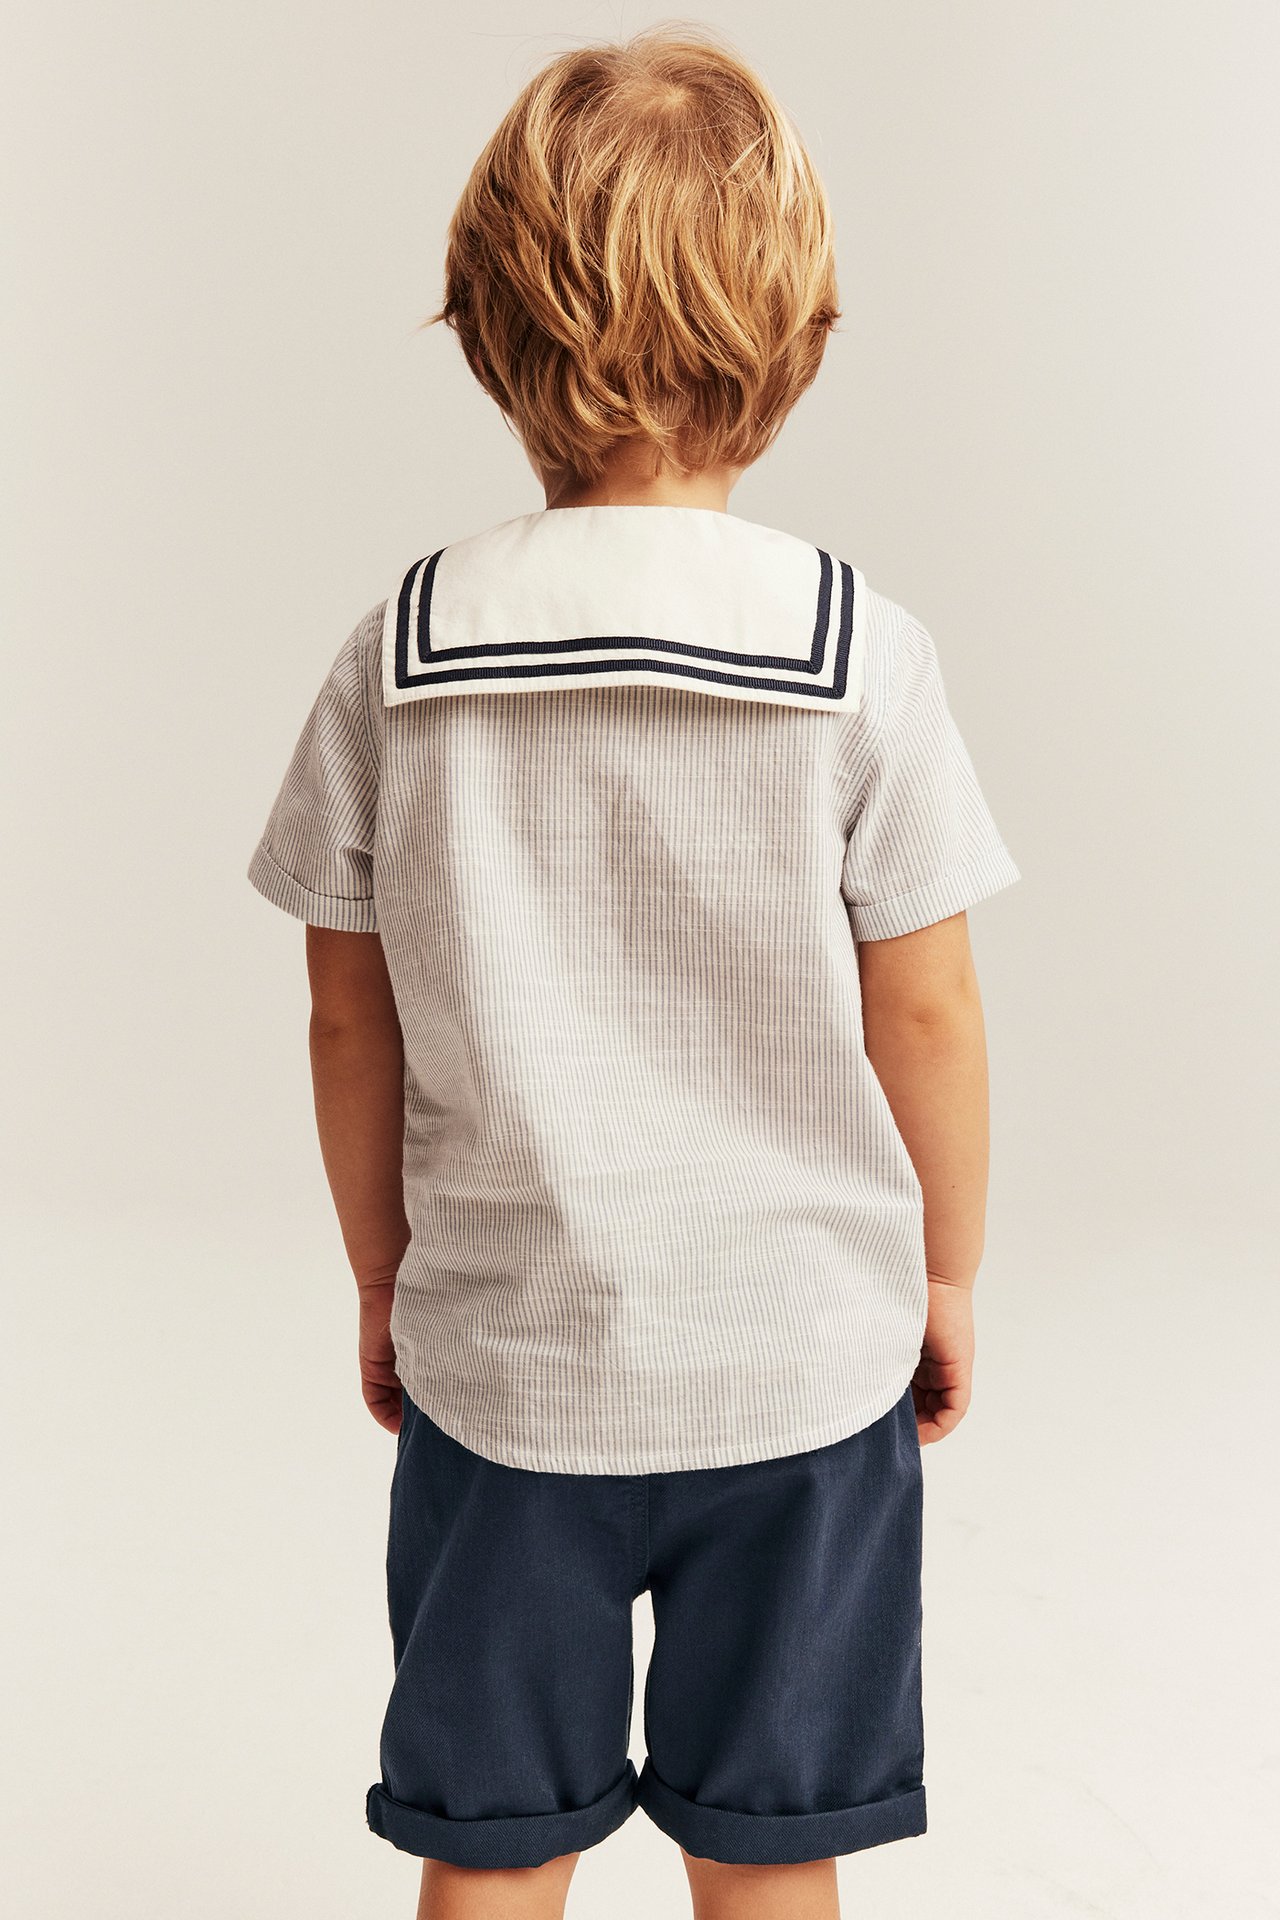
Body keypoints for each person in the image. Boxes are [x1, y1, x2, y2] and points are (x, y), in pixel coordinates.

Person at [246, 25, 1021, 1920]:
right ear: (800, 335)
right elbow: (926, 1005)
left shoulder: (404, 652)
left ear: (489, 323)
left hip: (510, 1373)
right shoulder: (859, 656)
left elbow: (349, 1009)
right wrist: (942, 1268)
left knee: (491, 1849)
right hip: (801, 1372)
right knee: (772, 1856)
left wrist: (382, 1269)